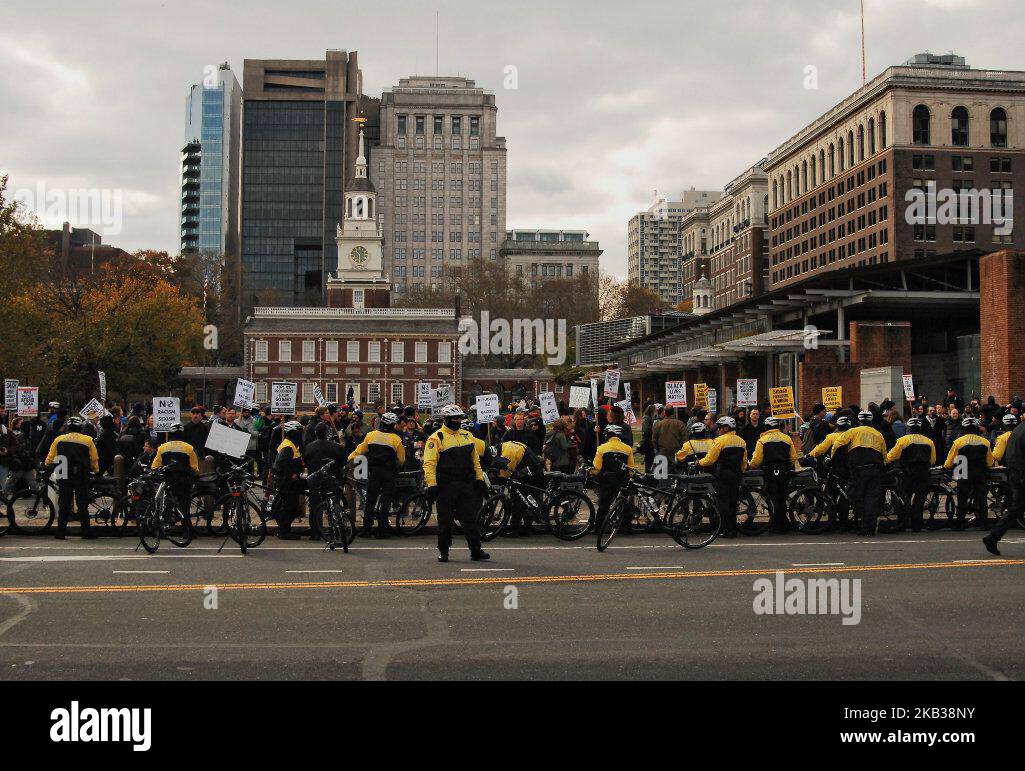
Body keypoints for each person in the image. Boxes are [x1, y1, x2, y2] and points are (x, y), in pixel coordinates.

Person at [422, 405, 489, 563]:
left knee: (470, 518)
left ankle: (476, 550)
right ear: (446, 419)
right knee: (445, 520)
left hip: (465, 484)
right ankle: (443, 551)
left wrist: (479, 479)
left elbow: (475, 461)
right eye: (455, 418)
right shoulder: (436, 438)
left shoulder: (467, 435)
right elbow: (429, 464)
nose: (458, 421)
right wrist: (432, 484)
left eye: (460, 418)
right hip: (446, 486)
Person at [348, 412, 405, 539]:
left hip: (374, 472)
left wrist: (348, 459)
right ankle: (382, 531)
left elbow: (359, 451)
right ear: (393, 425)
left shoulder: (371, 435)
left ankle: (366, 529)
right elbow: (401, 460)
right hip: (389, 473)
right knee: (385, 501)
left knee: (370, 501)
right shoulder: (396, 439)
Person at [44, 415, 99, 540]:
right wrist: (96, 471)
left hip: (63, 472)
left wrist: (46, 465)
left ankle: (60, 532)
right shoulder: (88, 440)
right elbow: (94, 459)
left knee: (64, 503)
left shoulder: (59, 439)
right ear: (80, 427)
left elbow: (51, 457)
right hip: (81, 474)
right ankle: (86, 531)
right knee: (82, 504)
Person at [832, 411, 887, 536]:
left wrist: (832, 459)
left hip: (857, 470)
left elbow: (837, 444)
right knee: (871, 499)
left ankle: (860, 523)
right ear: (871, 421)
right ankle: (869, 528)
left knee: (855, 496)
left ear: (859, 420)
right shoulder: (878, 434)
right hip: (873, 470)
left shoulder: (852, 431)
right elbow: (884, 454)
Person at [698, 416, 749, 538]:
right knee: (733, 502)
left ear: (726, 428)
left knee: (723, 503)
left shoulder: (719, 441)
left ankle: (724, 529)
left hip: (723, 475)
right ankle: (733, 529)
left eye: (720, 428)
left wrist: (699, 463)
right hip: (736, 475)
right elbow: (744, 461)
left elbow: (710, 459)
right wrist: (742, 470)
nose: (718, 430)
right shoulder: (741, 441)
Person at [748, 416, 799, 533]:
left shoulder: (762, 440)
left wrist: (750, 467)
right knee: (782, 497)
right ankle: (783, 523)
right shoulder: (787, 439)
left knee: (772, 498)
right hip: (784, 471)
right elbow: (793, 457)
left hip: (769, 471)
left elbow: (756, 460)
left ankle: (775, 524)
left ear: (766, 427)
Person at [885, 417, 936, 532]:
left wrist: (884, 460)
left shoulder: (903, 440)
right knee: (920, 499)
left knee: (904, 498)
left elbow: (891, 456)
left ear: (908, 428)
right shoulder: (929, 441)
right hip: (923, 474)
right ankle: (917, 524)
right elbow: (932, 460)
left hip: (907, 473)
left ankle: (902, 523)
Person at [943, 416, 994, 531]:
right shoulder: (985, 442)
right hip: (980, 471)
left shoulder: (958, 442)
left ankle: (960, 523)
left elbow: (950, 461)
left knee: (962, 498)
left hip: (962, 470)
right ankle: (983, 523)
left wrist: (946, 466)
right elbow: (990, 462)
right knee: (982, 498)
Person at [984, 415, 1025, 554]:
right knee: (1016, 509)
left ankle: (993, 537)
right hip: (1021, 474)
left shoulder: (1018, 430)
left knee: (1016, 509)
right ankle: (992, 537)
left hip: (1015, 473)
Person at [304, 421, 346, 541]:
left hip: (315, 480)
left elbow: (306, 462)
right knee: (334, 505)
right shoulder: (337, 447)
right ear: (327, 433)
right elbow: (343, 461)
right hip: (332, 479)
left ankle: (316, 532)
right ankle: (336, 529)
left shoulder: (309, 447)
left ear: (316, 433)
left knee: (315, 506)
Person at [589, 424, 634, 530]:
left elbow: (597, 468)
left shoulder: (601, 448)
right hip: (622, 479)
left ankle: (599, 527)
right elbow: (631, 468)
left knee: (604, 504)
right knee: (624, 502)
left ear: (608, 435)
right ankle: (626, 527)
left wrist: (591, 472)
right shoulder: (628, 449)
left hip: (608, 479)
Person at [151, 423, 200, 516]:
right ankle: (186, 524)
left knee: (168, 501)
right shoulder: (189, 448)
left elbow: (155, 466)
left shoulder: (162, 447)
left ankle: (168, 520)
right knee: (184, 506)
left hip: (168, 479)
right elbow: (194, 468)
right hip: (184, 480)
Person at [272, 421, 306, 540]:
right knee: (289, 506)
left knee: (292, 505)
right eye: (299, 432)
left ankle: (286, 528)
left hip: (289, 481)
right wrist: (291, 474)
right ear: (294, 432)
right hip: (286, 482)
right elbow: (282, 462)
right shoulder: (288, 446)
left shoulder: (290, 443)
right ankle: (283, 531)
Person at [653, 407, 687, 473]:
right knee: (678, 477)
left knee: (662, 477)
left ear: (665, 413)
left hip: (663, 453)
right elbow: (685, 439)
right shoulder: (680, 424)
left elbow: (654, 440)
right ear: (673, 413)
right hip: (677, 454)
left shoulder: (658, 424)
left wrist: (659, 450)